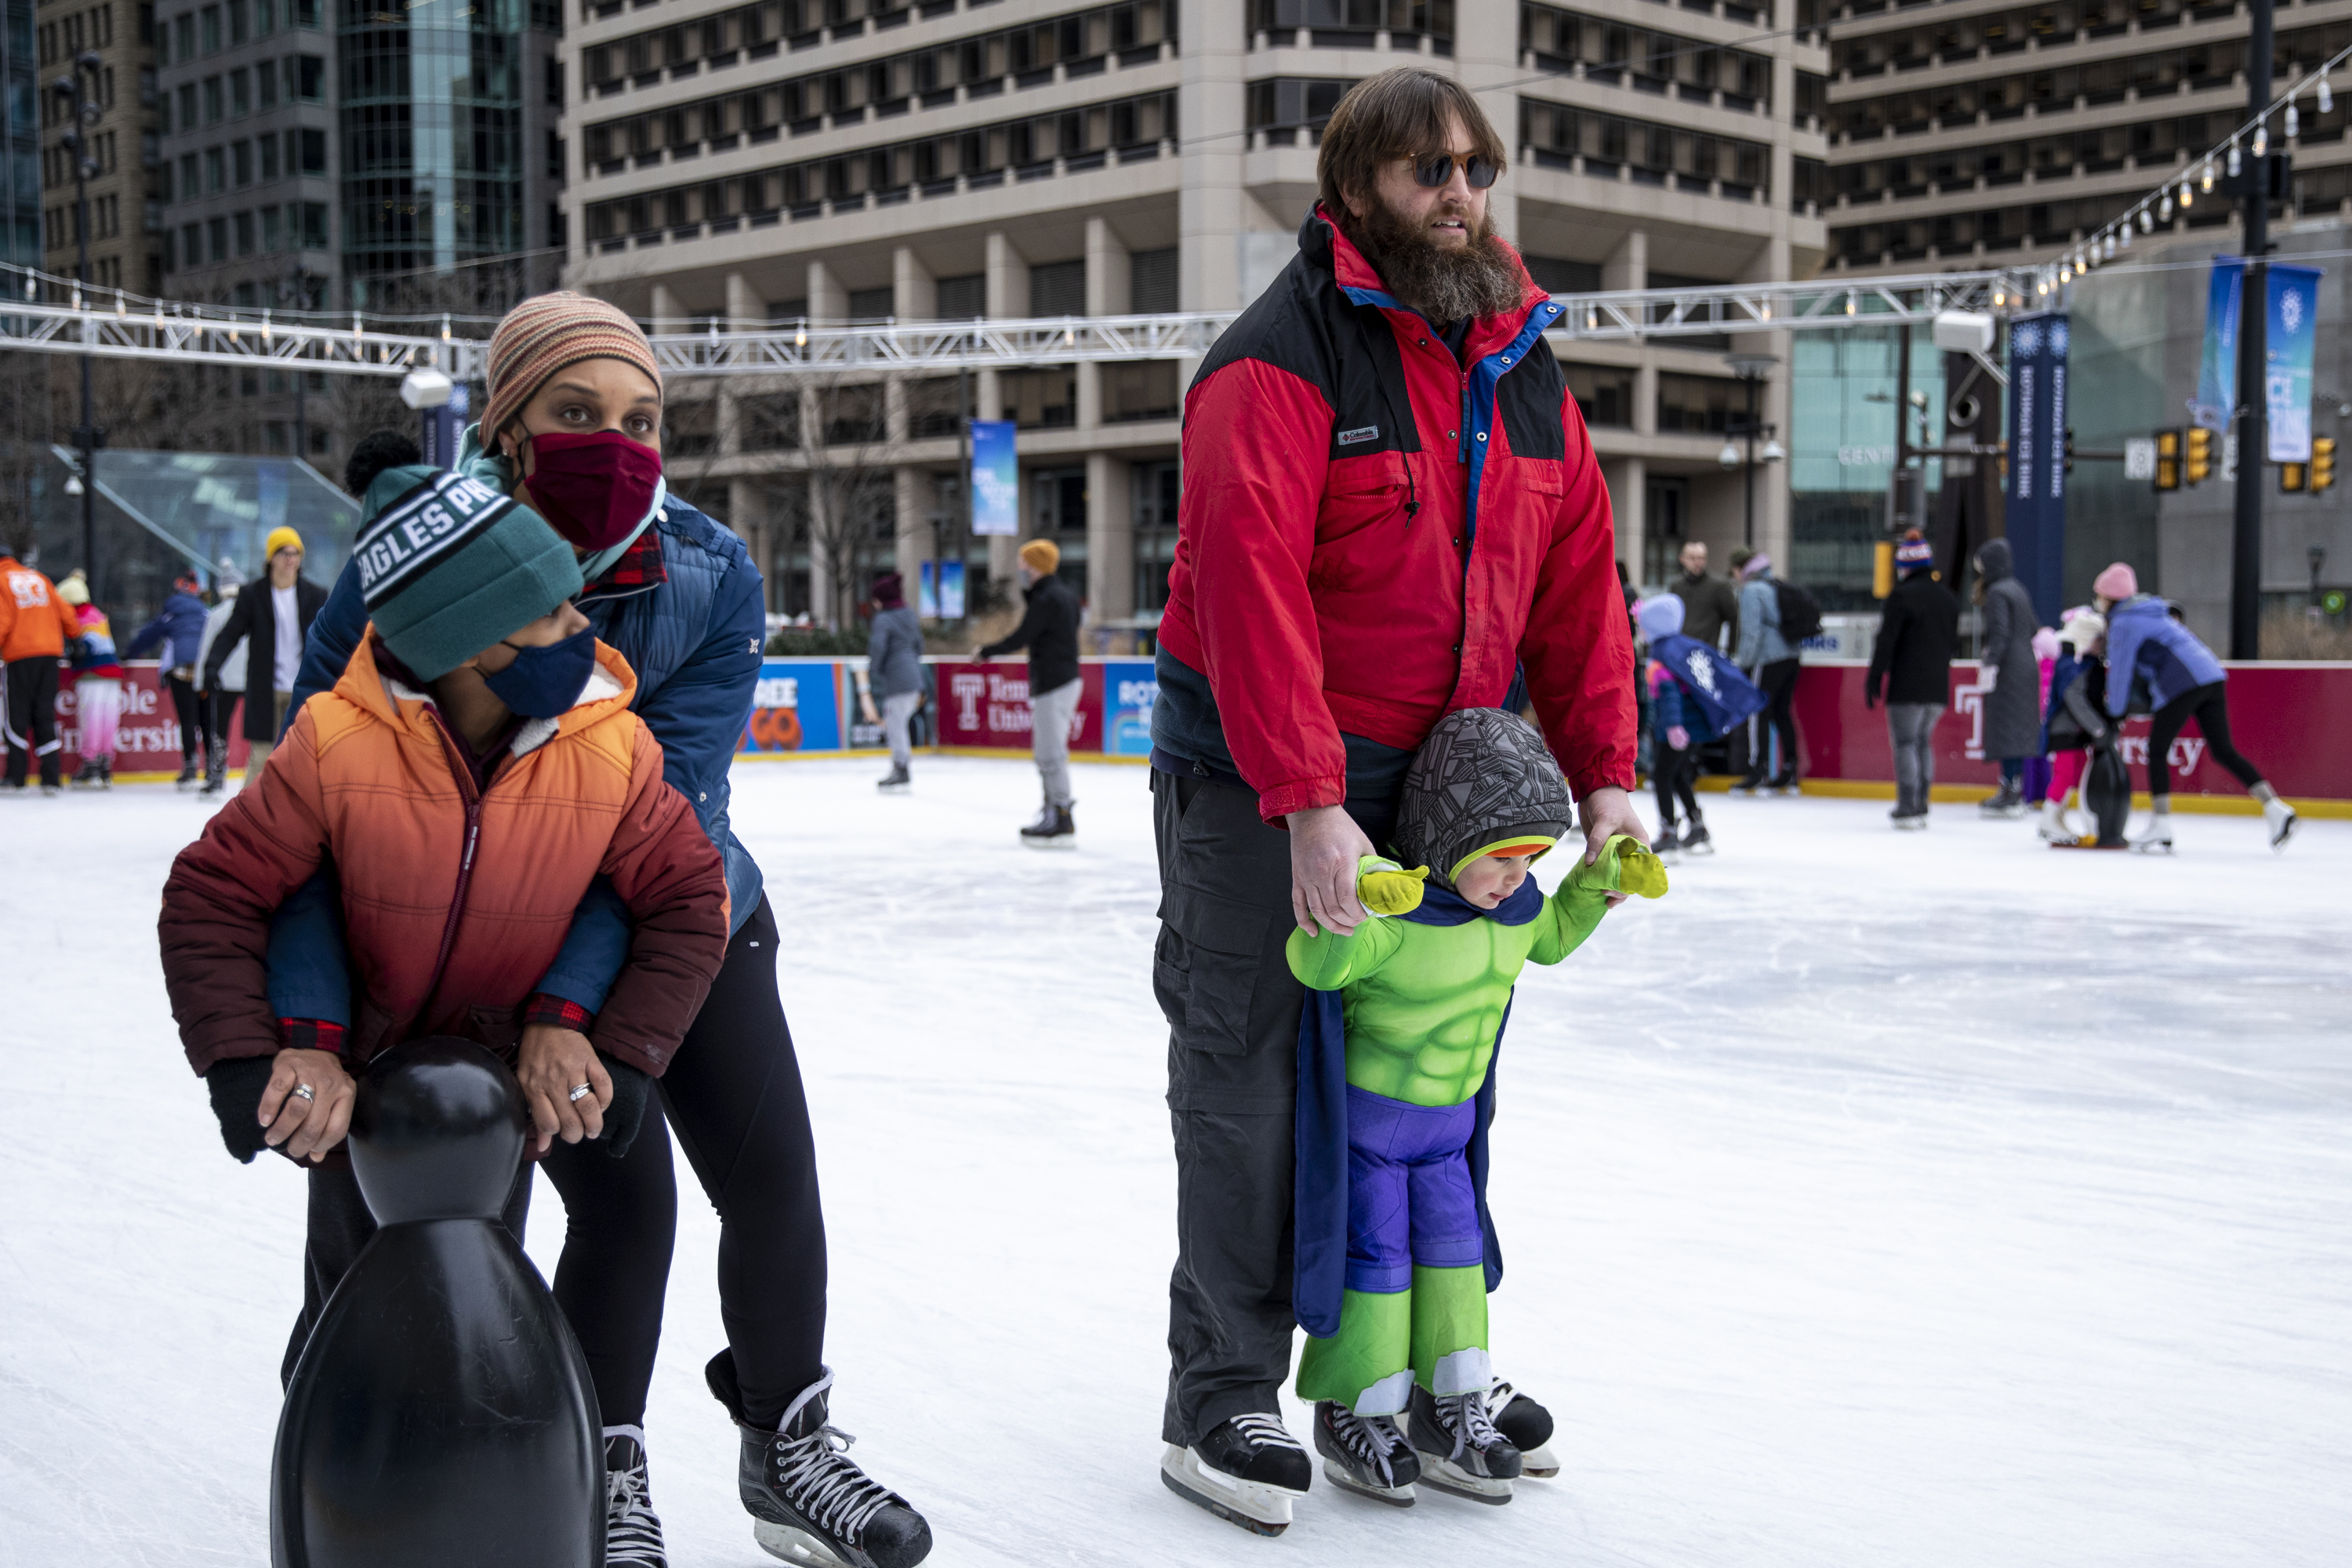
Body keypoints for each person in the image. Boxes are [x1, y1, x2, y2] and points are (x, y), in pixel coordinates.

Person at [281, 292, 933, 1568]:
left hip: (682, 911)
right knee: (603, 1209)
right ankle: (589, 1463)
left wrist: (582, 999)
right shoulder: (399, 565)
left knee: (773, 1182)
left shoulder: (707, 571)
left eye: (642, 420)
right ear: (507, 424)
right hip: (465, 940)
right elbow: (311, 784)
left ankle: (786, 1451)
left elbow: (665, 807)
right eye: (576, 414)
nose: (614, 443)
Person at [1144, 67, 1645, 1533]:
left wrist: (1607, 776)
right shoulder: (1276, 361)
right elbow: (1248, 596)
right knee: (1246, 1068)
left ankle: (1429, 1371)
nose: (1462, 192)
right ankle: (1222, 1388)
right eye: (1430, 168)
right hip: (1261, 764)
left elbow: (1578, 590)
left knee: (1432, 1064)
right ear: (1355, 186)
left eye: (1477, 167)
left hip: (1445, 780)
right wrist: (1307, 801)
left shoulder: (1524, 365)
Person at [155, 481, 735, 1566]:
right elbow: (214, 894)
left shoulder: (607, 742)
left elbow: (685, 901)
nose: (585, 633)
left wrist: (618, 1051)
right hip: (367, 1092)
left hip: (505, 1083)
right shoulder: (338, 742)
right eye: (553, 617)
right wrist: (250, 1056)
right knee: (352, 1295)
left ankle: (512, 1497)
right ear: (470, 645)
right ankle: (344, 1495)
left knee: (484, 1279)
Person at [1286, 708, 1664, 1506]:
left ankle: (1452, 1404)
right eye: (1504, 858)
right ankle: (1359, 1409)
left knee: (1458, 1268)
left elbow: (1554, 935)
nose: (1520, 875)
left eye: (1535, 857)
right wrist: (1356, 900)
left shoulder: (1517, 913)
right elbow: (1319, 965)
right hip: (1373, 1139)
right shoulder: (1403, 918)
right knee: (1378, 1272)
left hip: (1447, 1140)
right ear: (1450, 840)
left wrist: (1599, 879)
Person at [2091, 561, 2297, 852]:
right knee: (2223, 750)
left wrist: (2114, 712)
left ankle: (2161, 824)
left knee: (2157, 749)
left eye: (2099, 595)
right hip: (2210, 674)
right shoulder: (2150, 610)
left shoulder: (2125, 621)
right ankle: (2276, 808)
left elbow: (2121, 673)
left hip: (2182, 682)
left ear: (2109, 597)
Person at [1638, 593, 1765, 862]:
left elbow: (1670, 691)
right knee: (1679, 773)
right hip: (1696, 727)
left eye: (1641, 625)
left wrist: (1673, 726)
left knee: (1662, 776)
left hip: (1677, 729)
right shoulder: (1683, 646)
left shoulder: (1661, 654)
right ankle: (1698, 827)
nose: (1639, 631)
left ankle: (1668, 831)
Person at [200, 526, 327, 780]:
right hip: (264, 688)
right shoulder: (253, 595)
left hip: (304, 688)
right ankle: (248, 818)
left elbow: (331, 638)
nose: (291, 559)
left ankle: (299, 818)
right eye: (284, 553)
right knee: (262, 756)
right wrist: (212, 665)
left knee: (304, 758)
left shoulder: (315, 595)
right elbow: (231, 632)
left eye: (295, 553)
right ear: (271, 557)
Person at [977, 538, 1081, 843]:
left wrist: (986, 650)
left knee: (1050, 753)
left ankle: (1060, 814)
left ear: (1036, 564)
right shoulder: (1064, 596)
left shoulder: (1047, 598)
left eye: (1025, 561)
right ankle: (1054, 809)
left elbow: (1022, 636)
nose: (1020, 567)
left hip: (1054, 681)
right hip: (1061, 679)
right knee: (1048, 752)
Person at [1865, 531, 1958, 830]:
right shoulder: (1948, 598)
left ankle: (1908, 805)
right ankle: (1922, 801)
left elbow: (1886, 642)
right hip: (1937, 687)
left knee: (1905, 743)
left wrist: (1874, 678)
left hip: (1907, 686)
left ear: (1904, 567)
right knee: (1922, 742)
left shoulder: (1901, 596)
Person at [0, 542, 82, 796]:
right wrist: (74, 636)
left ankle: (16, 776)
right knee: (45, 713)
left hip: (20, 654)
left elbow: (2, 620)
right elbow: (67, 613)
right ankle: (51, 777)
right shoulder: (39, 577)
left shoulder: (1, 580)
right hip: (49, 654)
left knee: (17, 716)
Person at [1973, 539, 2042, 819]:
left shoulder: (1998, 593)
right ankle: (2016, 787)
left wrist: (1990, 664)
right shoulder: (2018, 589)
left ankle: (2009, 790)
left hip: (2009, 669)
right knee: (2019, 729)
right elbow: (2034, 627)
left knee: (2004, 727)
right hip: (2026, 665)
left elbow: (1999, 634)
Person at [126, 567, 214, 789]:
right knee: (206, 721)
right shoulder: (206, 613)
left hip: (182, 670)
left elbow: (149, 635)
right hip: (205, 670)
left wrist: (130, 654)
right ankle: (213, 767)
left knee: (187, 720)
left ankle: (190, 768)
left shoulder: (172, 610)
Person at [1730, 550, 1801, 795]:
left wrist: (1742, 664)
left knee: (1757, 712)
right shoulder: (1779, 585)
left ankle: (1757, 770)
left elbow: (1752, 632)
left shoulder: (1752, 591)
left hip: (1767, 658)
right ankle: (1790, 770)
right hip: (1792, 656)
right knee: (1782, 712)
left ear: (1743, 570)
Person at [56, 573, 125, 789]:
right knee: (108, 720)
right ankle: (105, 763)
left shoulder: (78, 617)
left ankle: (90, 763)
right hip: (112, 672)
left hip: (91, 673)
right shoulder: (98, 614)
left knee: (91, 719)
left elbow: (84, 649)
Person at [864, 571, 924, 791]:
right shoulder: (908, 614)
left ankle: (901, 768)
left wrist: (875, 669)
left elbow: (878, 647)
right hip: (914, 679)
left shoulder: (883, 619)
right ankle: (901, 766)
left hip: (898, 682)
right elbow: (919, 645)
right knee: (899, 725)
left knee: (896, 727)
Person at [192, 563, 246, 796]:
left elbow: (206, 650)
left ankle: (216, 775)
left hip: (222, 680)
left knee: (219, 730)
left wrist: (199, 681)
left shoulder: (215, 615)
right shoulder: (252, 612)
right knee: (259, 729)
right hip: (251, 678)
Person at [1669, 540, 1740, 652]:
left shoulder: (1719, 586)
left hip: (1707, 651)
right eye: (1692, 558)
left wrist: (1731, 651)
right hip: (1681, 650)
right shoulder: (1676, 586)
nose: (1698, 562)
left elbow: (1734, 618)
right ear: (1682, 559)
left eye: (1701, 558)